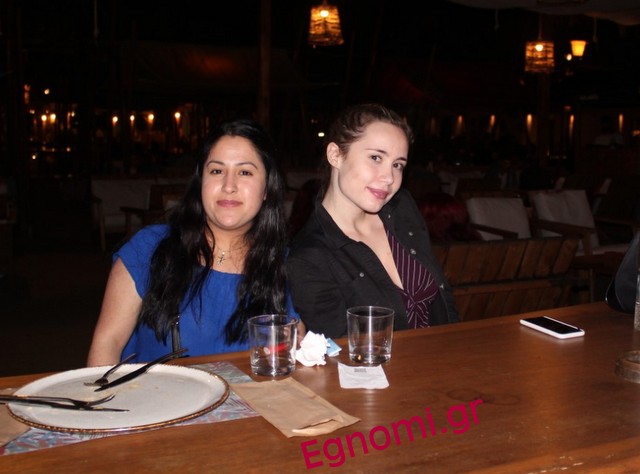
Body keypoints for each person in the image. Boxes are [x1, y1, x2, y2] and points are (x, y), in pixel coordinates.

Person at [87, 119, 299, 365]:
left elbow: (294, 355)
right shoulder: (150, 248)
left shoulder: (286, 266)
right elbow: (107, 345)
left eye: (245, 172)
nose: (229, 186)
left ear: (267, 189)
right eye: (216, 171)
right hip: (153, 390)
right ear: (201, 182)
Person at [286, 103, 459, 338]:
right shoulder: (308, 258)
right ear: (335, 155)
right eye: (376, 157)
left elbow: (443, 299)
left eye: (398, 165)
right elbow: (343, 350)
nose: (389, 178)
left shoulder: (401, 209)